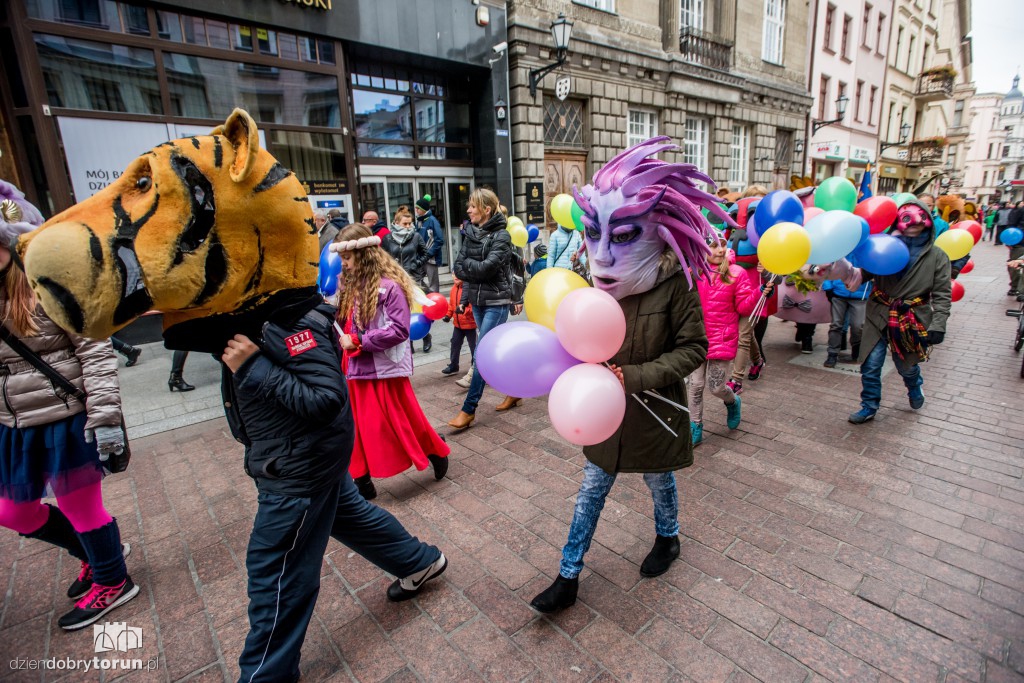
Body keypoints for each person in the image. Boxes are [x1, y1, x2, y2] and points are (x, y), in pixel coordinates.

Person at [530, 137, 714, 613]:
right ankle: (568, 575)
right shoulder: (593, 284)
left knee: (659, 482)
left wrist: (631, 377)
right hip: (601, 418)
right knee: (590, 492)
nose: (605, 254)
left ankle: (668, 538)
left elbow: (694, 349)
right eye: (595, 235)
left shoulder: (676, 286)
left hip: (653, 411)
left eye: (626, 235)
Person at [0, 184, 136, 631]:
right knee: (14, 511)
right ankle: (94, 552)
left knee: (81, 508)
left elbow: (96, 354)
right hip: (13, 425)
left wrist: (106, 419)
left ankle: (113, 578)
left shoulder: (48, 289)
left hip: (64, 419)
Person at [334, 225, 450, 501]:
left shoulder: (390, 287)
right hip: (353, 367)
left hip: (383, 370)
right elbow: (345, 321)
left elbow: (399, 330)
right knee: (356, 427)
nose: (344, 265)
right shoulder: (347, 284)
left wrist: (359, 341)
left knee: (402, 421)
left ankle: (435, 451)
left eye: (347, 258)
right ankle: (361, 479)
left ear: (363, 255)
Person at [832, 199, 951, 424]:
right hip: (879, 312)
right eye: (907, 217)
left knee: (905, 365)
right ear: (897, 220)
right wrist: (840, 268)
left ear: (928, 222)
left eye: (921, 217)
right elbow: (863, 273)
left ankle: (914, 385)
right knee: (870, 363)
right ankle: (869, 406)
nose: (914, 222)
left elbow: (943, 294)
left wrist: (938, 324)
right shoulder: (882, 245)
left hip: (910, 317)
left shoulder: (937, 257)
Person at [447, 189, 518, 430]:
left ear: (486, 209)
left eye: (473, 206)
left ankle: (468, 409)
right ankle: (515, 389)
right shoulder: (470, 232)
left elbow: (487, 268)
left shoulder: (502, 236)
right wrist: (470, 273)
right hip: (477, 302)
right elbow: (459, 267)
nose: (468, 210)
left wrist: (469, 267)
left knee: (481, 356)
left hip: (496, 303)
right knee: (495, 354)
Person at [688, 231, 759, 445]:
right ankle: (695, 425)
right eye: (713, 245)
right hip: (696, 338)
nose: (719, 250)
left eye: (722, 245)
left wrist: (760, 292)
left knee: (716, 387)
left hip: (721, 338)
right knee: (695, 385)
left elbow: (743, 306)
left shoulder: (737, 273)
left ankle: (733, 401)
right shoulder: (693, 272)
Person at [382, 207, 432, 352]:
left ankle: (426, 335)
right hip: (396, 279)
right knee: (403, 310)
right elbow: (384, 257)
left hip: (414, 278)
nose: (409, 226)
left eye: (410, 223)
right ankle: (408, 340)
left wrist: (416, 264)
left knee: (419, 309)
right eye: (405, 224)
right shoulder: (388, 239)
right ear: (397, 223)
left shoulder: (415, 236)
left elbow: (425, 253)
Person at [822, 276, 871, 367]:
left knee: (858, 325)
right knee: (836, 325)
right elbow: (828, 267)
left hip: (860, 294)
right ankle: (832, 353)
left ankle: (856, 348)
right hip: (838, 292)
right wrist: (828, 287)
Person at [442, 276, 476, 377]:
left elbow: (474, 308)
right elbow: (451, 305)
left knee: (474, 347)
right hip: (458, 324)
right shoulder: (454, 288)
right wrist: (448, 315)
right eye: (453, 274)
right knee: (455, 344)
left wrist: (463, 310)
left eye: (457, 274)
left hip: (470, 325)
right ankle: (453, 365)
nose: (455, 276)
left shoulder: (469, 288)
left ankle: (475, 366)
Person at [415, 197, 444, 294]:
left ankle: (435, 303)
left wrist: (428, 253)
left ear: (423, 209)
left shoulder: (433, 221)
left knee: (433, 284)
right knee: (416, 279)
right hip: (421, 257)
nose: (416, 210)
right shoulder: (419, 221)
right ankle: (429, 295)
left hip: (431, 258)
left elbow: (439, 240)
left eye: (418, 208)